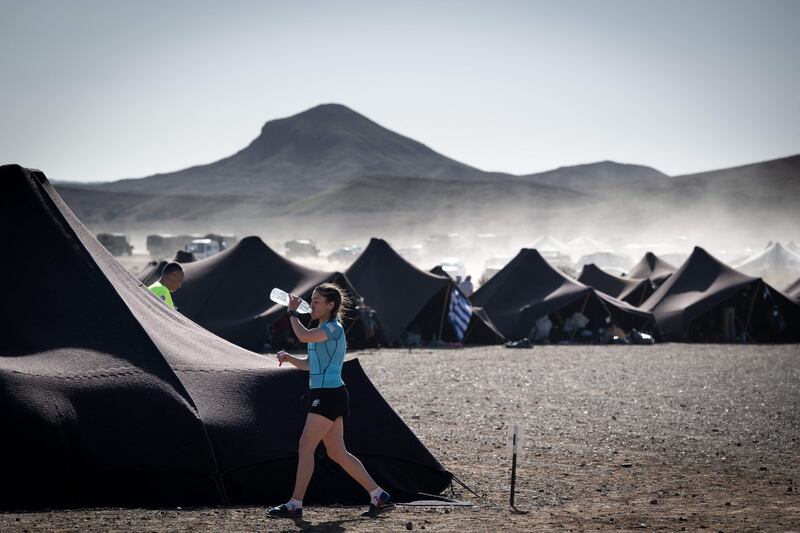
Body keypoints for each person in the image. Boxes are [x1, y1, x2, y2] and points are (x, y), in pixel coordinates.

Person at [268, 283, 394, 519]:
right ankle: (378, 495)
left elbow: (303, 335)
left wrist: (292, 313)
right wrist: (289, 358)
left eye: (317, 301)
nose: (312, 304)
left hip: (328, 395)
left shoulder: (333, 328)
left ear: (331, 305)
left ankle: (295, 504)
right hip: (327, 394)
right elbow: (309, 364)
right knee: (337, 452)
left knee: (306, 446)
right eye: (312, 300)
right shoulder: (321, 330)